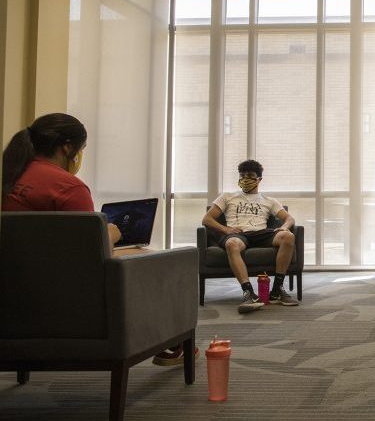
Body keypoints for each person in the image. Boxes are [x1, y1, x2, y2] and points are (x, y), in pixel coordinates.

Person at [1, 113, 191, 366]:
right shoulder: (70, 188)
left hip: (15, 293)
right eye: (82, 149)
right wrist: (108, 232)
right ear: (67, 147)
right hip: (68, 302)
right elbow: (87, 258)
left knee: (131, 254)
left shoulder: (11, 176)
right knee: (154, 260)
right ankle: (175, 341)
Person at [202, 159, 299, 313]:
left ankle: (276, 290)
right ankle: (249, 293)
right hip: (239, 234)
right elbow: (207, 219)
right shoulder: (227, 196)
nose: (245, 179)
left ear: (259, 179)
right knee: (232, 244)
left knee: (288, 237)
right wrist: (225, 229)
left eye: (250, 176)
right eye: (242, 176)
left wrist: (284, 227)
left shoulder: (269, 201)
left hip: (262, 233)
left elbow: (289, 219)